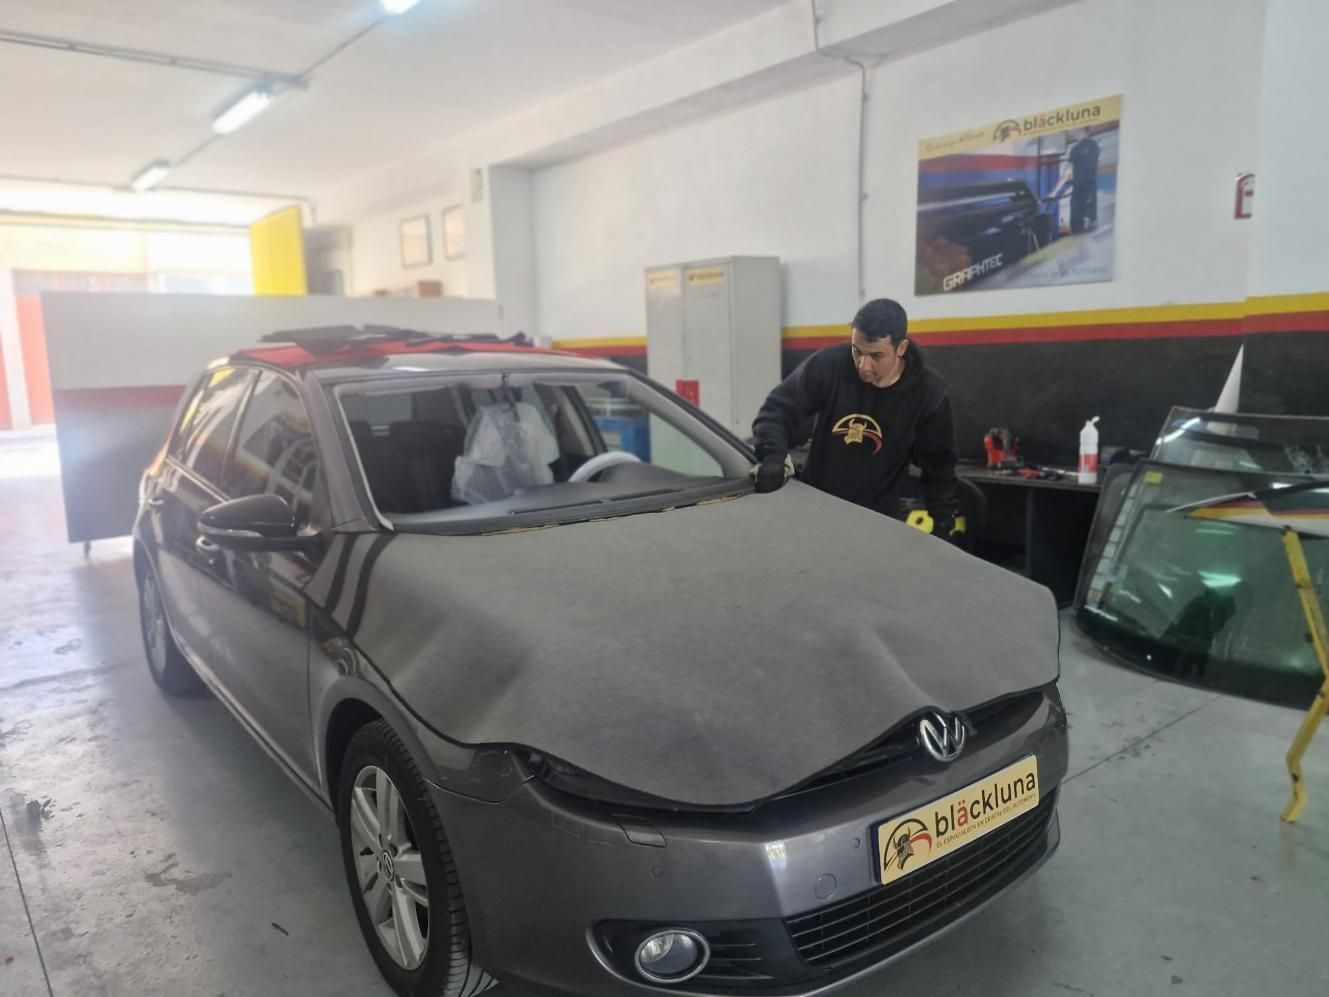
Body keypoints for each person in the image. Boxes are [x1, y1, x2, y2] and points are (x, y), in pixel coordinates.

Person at [751, 298, 961, 540]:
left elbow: (939, 465)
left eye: (876, 356)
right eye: (857, 351)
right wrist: (773, 455)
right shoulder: (830, 365)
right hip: (815, 514)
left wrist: (944, 522)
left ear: (901, 348)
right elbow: (777, 410)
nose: (863, 365)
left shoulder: (927, 394)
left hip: (876, 525)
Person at [1064, 128, 1100, 234]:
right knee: (1091, 219)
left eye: (1075, 132)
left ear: (1082, 131)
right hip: (1091, 186)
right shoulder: (1095, 145)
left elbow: (1067, 170)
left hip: (1079, 188)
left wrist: (1056, 188)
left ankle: (1078, 235)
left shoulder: (1076, 149)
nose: (1074, 135)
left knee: (1076, 221)